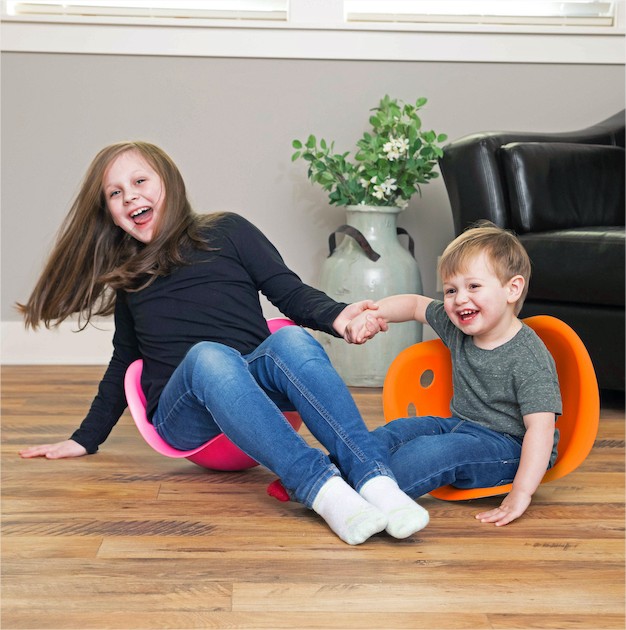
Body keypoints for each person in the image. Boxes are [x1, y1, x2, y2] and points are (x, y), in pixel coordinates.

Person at [17, 141, 429, 545]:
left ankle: (375, 480)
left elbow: (289, 292)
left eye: (140, 181)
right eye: (115, 193)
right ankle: (323, 489)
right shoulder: (130, 276)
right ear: (109, 212)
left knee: (289, 338)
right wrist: (85, 438)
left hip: (255, 400)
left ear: (169, 182)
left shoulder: (228, 231)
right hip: (185, 416)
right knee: (208, 355)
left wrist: (340, 316)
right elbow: (124, 360)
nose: (130, 197)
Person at [345, 221, 562, 526]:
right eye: (450, 290)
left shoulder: (529, 357)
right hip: (461, 426)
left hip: (511, 449)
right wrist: (373, 314)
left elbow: (541, 430)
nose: (459, 299)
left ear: (512, 289)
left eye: (473, 286)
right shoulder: (457, 326)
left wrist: (521, 492)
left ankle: (358, 498)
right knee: (396, 432)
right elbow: (414, 305)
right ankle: (327, 475)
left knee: (433, 452)